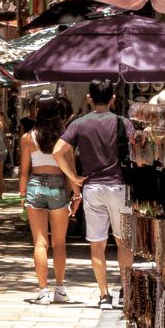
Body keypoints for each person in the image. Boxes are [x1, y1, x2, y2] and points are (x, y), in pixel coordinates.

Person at [56, 82, 132, 308]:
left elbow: (58, 151)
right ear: (113, 98)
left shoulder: (79, 123)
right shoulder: (123, 123)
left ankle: (104, 295)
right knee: (124, 243)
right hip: (120, 187)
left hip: (92, 188)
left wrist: (73, 177)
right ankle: (126, 291)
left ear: (89, 98)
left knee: (97, 244)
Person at [18, 96, 80, 304]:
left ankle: (43, 291)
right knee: (59, 243)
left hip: (35, 185)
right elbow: (70, 170)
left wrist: (22, 194)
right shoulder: (64, 137)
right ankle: (59, 289)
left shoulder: (28, 138)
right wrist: (77, 194)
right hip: (58, 186)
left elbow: (24, 170)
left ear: (38, 111)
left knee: (40, 242)